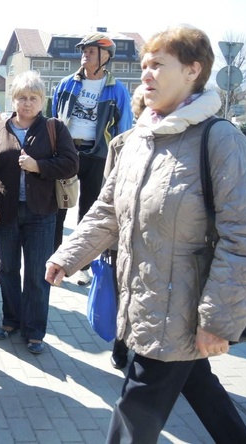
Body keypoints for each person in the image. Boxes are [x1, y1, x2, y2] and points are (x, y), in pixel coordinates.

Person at [45, 26, 246, 443]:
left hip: (184, 310)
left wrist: (216, 321)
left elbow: (240, 236)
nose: (147, 75)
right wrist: (68, 255)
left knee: (132, 412)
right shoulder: (138, 139)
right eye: (144, 66)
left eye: (159, 65)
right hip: (144, 302)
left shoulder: (219, 139)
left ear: (194, 70)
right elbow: (107, 210)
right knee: (201, 388)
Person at [0, 71, 78, 354]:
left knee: (37, 273)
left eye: (33, 98)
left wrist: (40, 167)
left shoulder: (53, 128)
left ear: (42, 101)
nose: (27, 103)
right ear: (12, 99)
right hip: (5, 211)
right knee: (8, 270)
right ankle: (11, 320)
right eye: (22, 97)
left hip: (42, 213)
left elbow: (71, 163)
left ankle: (34, 330)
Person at [51, 32, 132, 286]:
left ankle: (83, 266)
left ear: (106, 56)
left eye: (92, 51)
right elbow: (54, 120)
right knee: (57, 208)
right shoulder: (65, 84)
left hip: (98, 156)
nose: (85, 54)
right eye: (84, 50)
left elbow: (125, 129)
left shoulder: (117, 90)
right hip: (67, 154)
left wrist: (121, 163)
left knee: (89, 211)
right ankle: (53, 260)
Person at [104, 85, 146, 370]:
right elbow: (108, 197)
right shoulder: (120, 143)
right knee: (123, 293)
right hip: (124, 237)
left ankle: (144, 350)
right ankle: (121, 344)